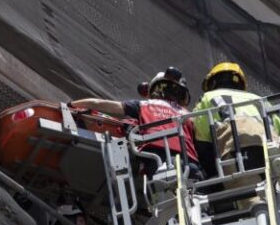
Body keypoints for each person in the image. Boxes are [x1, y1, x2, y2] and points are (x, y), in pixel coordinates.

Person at [69, 66, 201, 179]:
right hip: (191, 165)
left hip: (157, 162)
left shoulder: (144, 105)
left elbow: (97, 104)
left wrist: (71, 105)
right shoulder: (189, 116)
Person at [192, 62, 280, 207]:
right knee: (278, 201)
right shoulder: (262, 101)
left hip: (240, 153)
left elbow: (202, 142)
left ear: (213, 82)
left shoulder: (209, 97)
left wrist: (211, 176)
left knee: (252, 206)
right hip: (274, 153)